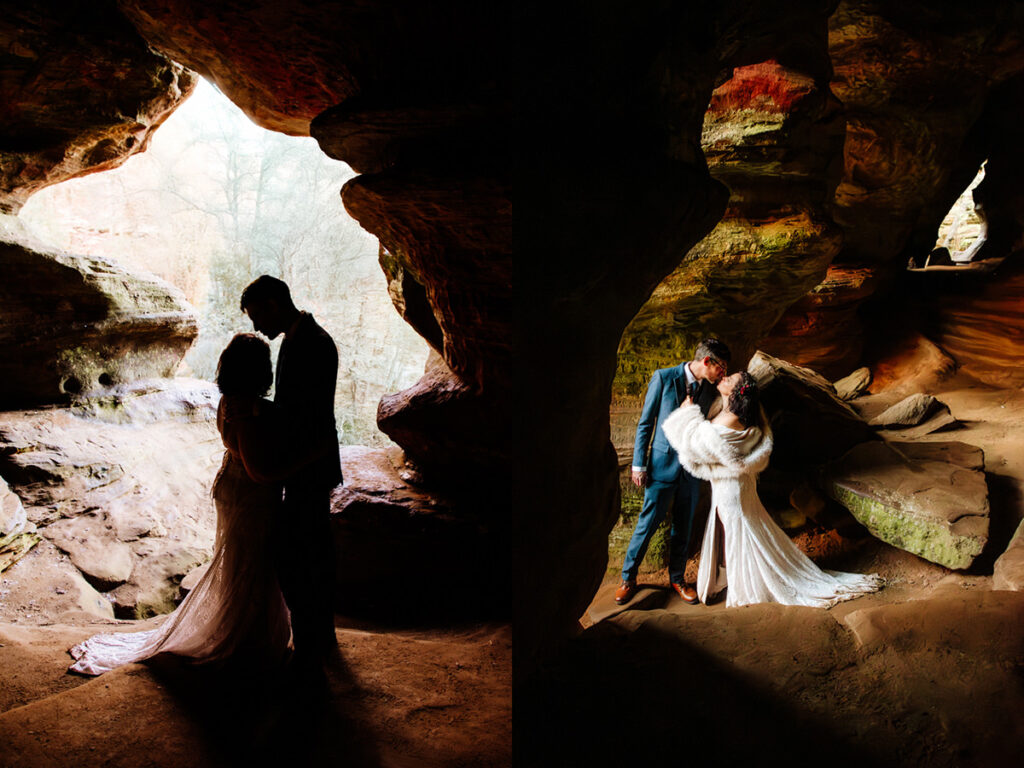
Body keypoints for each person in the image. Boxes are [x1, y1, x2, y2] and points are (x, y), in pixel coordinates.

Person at [68, 334, 307, 675]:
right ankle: (243, 638)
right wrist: (301, 463)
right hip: (252, 496)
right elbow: (259, 470)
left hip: (232, 487)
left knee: (241, 561)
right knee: (252, 565)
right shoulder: (249, 411)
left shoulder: (229, 402)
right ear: (260, 370)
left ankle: (244, 631)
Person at [661, 370, 882, 608]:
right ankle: (731, 577)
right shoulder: (740, 415)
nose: (723, 379)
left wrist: (688, 414)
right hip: (734, 485)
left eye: (730, 379)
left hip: (731, 489)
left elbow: (694, 446)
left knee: (738, 532)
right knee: (733, 531)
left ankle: (744, 583)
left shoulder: (730, 419)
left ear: (736, 392)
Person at [241, 275, 342, 670]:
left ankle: (312, 649)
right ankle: (316, 640)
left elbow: (308, 418)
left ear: (272, 304)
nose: (255, 327)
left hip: (310, 465)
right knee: (307, 553)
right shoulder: (294, 340)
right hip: (303, 465)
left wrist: (257, 411)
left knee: (303, 557)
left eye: (255, 316)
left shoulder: (315, 344)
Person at [615, 338, 731, 606]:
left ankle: (677, 579)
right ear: (706, 361)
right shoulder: (664, 378)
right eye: (721, 367)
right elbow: (646, 423)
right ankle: (627, 578)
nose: (722, 372)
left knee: (684, 527)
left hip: (691, 470)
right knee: (647, 525)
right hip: (660, 468)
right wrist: (639, 465)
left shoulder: (709, 390)